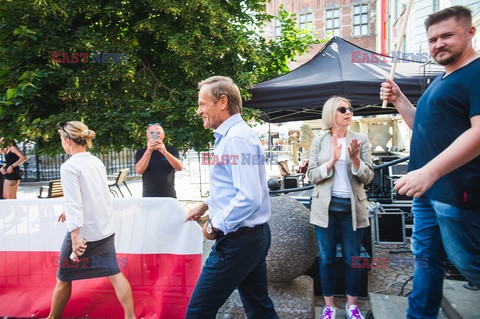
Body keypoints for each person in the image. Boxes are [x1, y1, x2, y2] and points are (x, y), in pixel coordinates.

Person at [380, 6, 480, 318]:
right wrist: (399, 99)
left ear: (470, 32)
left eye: (446, 35)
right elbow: (420, 126)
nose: (438, 44)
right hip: (428, 192)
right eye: (432, 39)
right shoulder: (440, 80)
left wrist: (429, 171)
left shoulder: (476, 73)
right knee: (425, 259)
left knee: (470, 263)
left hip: (456, 191)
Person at [184, 76, 278, 318]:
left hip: (238, 241)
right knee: (259, 308)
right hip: (250, 237)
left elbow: (249, 197)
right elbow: (231, 185)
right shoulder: (235, 135)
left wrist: (215, 225)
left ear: (222, 102)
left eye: (203, 104)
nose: (199, 111)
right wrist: (205, 205)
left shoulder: (235, 138)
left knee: (198, 310)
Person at [47, 121, 135, 319]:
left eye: (61, 140)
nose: (62, 143)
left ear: (68, 141)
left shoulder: (69, 166)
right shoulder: (96, 161)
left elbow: (76, 203)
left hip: (83, 234)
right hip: (104, 229)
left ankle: (52, 318)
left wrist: (75, 235)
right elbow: (94, 195)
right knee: (114, 274)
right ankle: (131, 317)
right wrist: (67, 210)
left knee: (63, 278)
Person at [306, 97, 373, 319]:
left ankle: (352, 306)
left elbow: (369, 176)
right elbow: (311, 176)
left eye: (350, 108)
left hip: (352, 209)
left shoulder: (361, 139)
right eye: (342, 109)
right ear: (331, 114)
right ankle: (329, 306)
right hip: (324, 209)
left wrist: (355, 161)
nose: (348, 112)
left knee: (352, 258)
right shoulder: (319, 141)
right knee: (326, 259)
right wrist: (332, 161)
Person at [135, 124, 182, 197]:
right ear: (147, 136)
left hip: (169, 196)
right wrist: (149, 151)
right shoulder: (141, 152)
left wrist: (164, 152)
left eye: (158, 133)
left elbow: (179, 167)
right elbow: (139, 170)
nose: (156, 135)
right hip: (149, 196)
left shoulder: (171, 150)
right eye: (152, 133)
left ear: (163, 135)